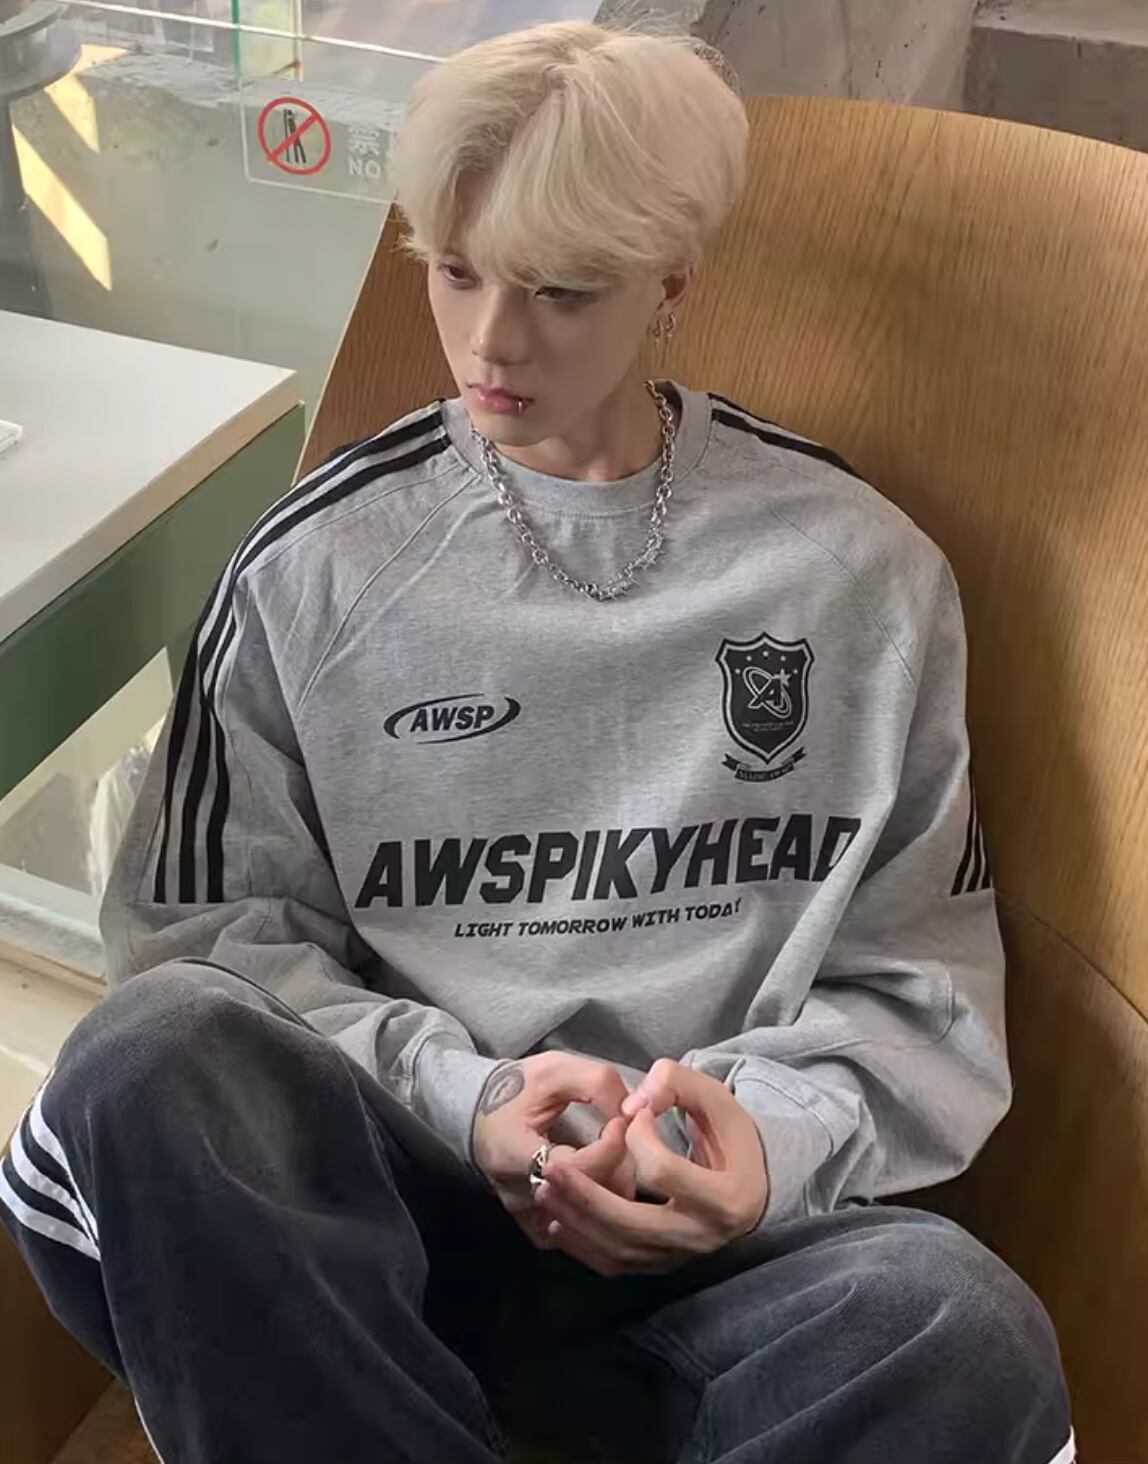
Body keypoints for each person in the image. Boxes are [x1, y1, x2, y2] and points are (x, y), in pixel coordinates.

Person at [0, 20, 1074, 1464]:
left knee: (959, 1325)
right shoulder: (315, 570)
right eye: (456, 270)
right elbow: (205, 946)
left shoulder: (860, 577)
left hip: (713, 1269)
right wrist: (472, 1095)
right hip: (376, 1223)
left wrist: (760, 1144)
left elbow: (919, 981)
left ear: (672, 283)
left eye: (562, 290)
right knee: (143, 1062)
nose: (493, 341)